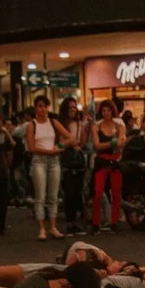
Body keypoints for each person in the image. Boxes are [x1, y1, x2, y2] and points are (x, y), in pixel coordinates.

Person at [26, 95, 74, 240]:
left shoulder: (53, 122)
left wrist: (59, 146)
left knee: (53, 196)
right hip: (39, 161)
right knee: (40, 196)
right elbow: (31, 147)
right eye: (40, 106)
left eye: (45, 106)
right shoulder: (32, 125)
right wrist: (49, 151)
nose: (43, 109)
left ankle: (53, 227)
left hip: (54, 161)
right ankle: (42, 228)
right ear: (35, 108)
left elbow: (71, 138)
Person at [91, 100, 126, 233]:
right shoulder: (97, 126)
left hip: (115, 161)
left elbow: (121, 143)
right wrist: (112, 143)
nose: (106, 113)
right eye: (104, 111)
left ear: (112, 111)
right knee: (98, 193)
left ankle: (114, 221)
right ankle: (95, 223)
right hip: (102, 161)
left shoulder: (119, 125)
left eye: (108, 110)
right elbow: (97, 145)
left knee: (116, 193)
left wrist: (114, 143)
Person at [58, 97, 88, 235]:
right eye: (70, 107)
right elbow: (60, 142)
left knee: (77, 191)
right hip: (66, 160)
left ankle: (76, 221)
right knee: (69, 192)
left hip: (78, 160)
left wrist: (82, 127)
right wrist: (71, 143)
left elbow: (83, 142)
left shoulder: (78, 124)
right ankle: (70, 222)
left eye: (74, 107)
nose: (72, 110)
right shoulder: (60, 124)